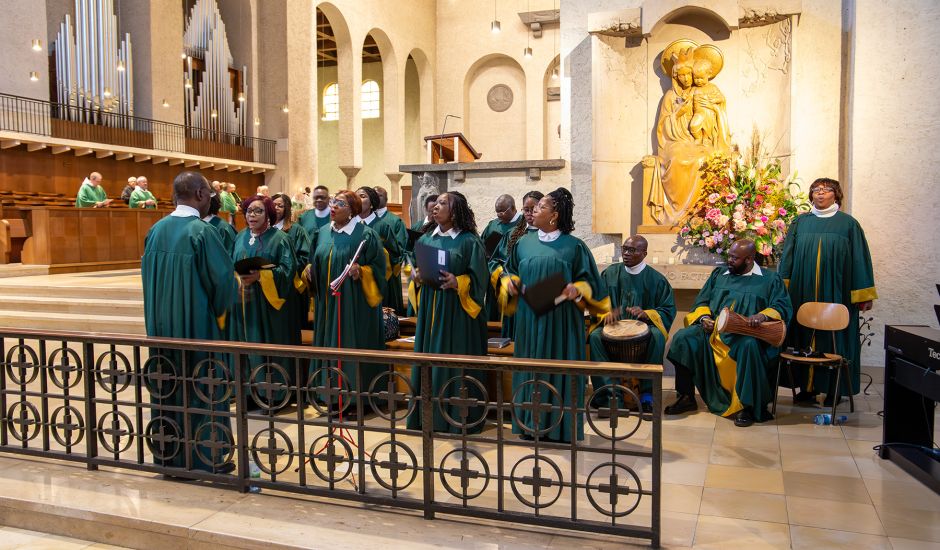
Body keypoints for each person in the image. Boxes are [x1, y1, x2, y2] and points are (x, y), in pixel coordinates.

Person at [141, 171, 239, 471]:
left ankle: (169, 455)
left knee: (168, 387)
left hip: (161, 330)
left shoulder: (156, 230)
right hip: (197, 330)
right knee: (201, 387)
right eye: (209, 193)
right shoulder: (201, 232)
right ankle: (205, 458)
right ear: (200, 194)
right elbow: (223, 285)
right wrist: (222, 313)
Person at [499, 187, 609, 442]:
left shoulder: (574, 246)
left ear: (554, 215)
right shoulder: (523, 243)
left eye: (541, 207)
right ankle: (529, 424)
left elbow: (592, 284)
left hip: (562, 322)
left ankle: (561, 427)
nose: (533, 211)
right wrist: (510, 283)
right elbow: (509, 271)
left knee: (558, 368)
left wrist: (577, 290)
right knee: (530, 368)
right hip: (529, 319)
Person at [665, 239, 792, 427]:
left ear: (749, 259)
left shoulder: (770, 279)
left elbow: (782, 306)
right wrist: (704, 318)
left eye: (734, 258)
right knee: (683, 338)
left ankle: (746, 406)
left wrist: (762, 316)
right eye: (729, 256)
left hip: (745, 334)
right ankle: (686, 396)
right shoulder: (719, 274)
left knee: (749, 346)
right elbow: (702, 301)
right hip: (714, 331)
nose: (729, 261)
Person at [777, 177, 876, 405]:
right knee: (802, 337)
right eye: (816, 189)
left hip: (837, 292)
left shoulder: (848, 224)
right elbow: (788, 257)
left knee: (835, 340)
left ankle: (835, 390)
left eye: (826, 189)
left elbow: (860, 259)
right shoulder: (800, 223)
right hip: (803, 290)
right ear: (811, 195)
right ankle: (807, 389)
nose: (820, 193)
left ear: (836, 194)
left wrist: (863, 295)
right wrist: (783, 288)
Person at [406, 192, 489, 433]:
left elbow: (480, 280)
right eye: (436, 203)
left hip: (458, 313)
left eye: (443, 203)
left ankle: (457, 418)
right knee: (429, 359)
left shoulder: (469, 242)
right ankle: (427, 417)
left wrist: (458, 282)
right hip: (431, 309)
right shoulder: (426, 240)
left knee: (453, 362)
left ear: (455, 211)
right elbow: (416, 270)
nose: (436, 207)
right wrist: (416, 277)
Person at [305, 190, 386, 414]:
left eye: (339, 203)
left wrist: (362, 271)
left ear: (352, 209)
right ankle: (329, 395)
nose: (333, 206)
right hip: (327, 306)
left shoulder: (365, 234)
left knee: (351, 346)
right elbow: (313, 261)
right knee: (328, 346)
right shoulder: (322, 233)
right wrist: (309, 271)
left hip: (355, 306)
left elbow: (381, 271)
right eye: (333, 202)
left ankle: (357, 399)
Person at [588, 236, 676, 413]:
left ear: (644, 253)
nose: (626, 253)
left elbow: (667, 309)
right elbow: (596, 299)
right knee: (595, 336)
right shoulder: (610, 273)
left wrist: (647, 314)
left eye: (632, 250)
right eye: (624, 249)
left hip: (645, 328)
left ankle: (648, 396)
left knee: (657, 336)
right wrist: (605, 313)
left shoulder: (656, 279)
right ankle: (608, 397)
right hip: (613, 326)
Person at [230, 194, 297, 408]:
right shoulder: (240, 237)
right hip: (244, 303)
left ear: (268, 214)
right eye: (249, 211)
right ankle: (248, 394)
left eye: (258, 211)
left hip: (269, 306)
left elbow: (288, 271)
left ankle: (272, 395)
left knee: (268, 347)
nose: (252, 215)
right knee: (245, 346)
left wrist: (262, 276)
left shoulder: (280, 239)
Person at [488, 190, 543, 339]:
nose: (530, 213)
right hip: (514, 296)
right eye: (526, 209)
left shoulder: (549, 236)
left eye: (534, 209)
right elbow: (494, 261)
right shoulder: (512, 234)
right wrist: (504, 278)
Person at [272, 192, 312, 355]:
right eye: (274, 205)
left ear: (287, 208)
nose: (276, 208)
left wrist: (285, 266)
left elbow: (305, 257)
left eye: (280, 205)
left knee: (290, 327)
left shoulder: (297, 230)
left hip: (292, 286)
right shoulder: (265, 230)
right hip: (270, 284)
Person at [358, 186, 403, 316]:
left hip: (377, 280)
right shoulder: (350, 225)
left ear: (372, 203)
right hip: (355, 280)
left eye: (362, 196)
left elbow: (395, 253)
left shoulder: (382, 226)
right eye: (356, 196)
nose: (358, 199)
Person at [481, 194, 522, 321]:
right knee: (493, 313)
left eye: (502, 211)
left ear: (513, 208)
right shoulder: (493, 225)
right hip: (494, 275)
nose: (499, 215)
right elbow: (483, 248)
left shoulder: (523, 224)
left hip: (513, 278)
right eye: (497, 212)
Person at [375, 185, 408, 314]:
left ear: (386, 199)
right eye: (374, 195)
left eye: (380, 195)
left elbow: (400, 247)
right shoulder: (363, 220)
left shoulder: (395, 221)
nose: (376, 197)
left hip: (389, 273)